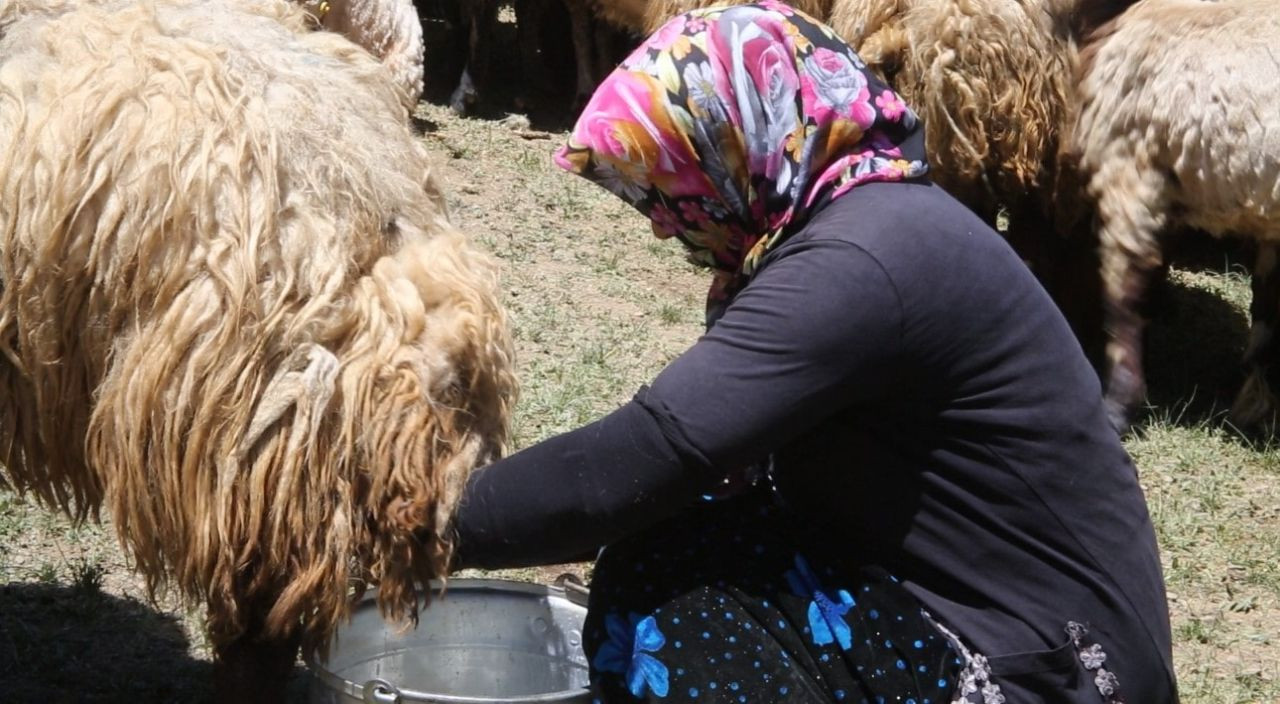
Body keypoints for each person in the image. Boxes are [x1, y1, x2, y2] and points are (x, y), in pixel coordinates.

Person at [446, 3, 1179, 702]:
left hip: (1056, 672)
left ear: (739, 138)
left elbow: (638, 460)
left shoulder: (863, 261)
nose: (667, 229)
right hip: (1022, 628)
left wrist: (409, 528)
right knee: (684, 537)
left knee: (668, 604)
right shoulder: (869, 221)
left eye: (676, 191)